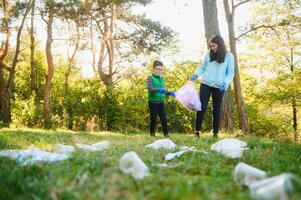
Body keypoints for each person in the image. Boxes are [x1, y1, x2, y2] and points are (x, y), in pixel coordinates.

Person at [190, 35, 234, 138]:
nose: (212, 48)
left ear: (220, 45)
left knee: (216, 110)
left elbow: (230, 73)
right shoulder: (208, 54)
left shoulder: (229, 56)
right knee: (201, 107)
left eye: (214, 45)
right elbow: (202, 67)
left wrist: (226, 83)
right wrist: (196, 74)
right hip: (206, 84)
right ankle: (197, 131)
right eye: (211, 46)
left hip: (219, 86)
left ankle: (215, 133)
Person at [147, 60, 175, 137]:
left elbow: (164, 91)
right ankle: (152, 134)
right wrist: (159, 90)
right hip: (153, 103)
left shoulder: (162, 79)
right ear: (153, 69)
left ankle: (166, 134)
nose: (159, 71)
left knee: (164, 119)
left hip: (161, 102)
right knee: (153, 119)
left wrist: (170, 93)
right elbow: (150, 89)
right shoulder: (150, 78)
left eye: (161, 69)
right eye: (157, 69)